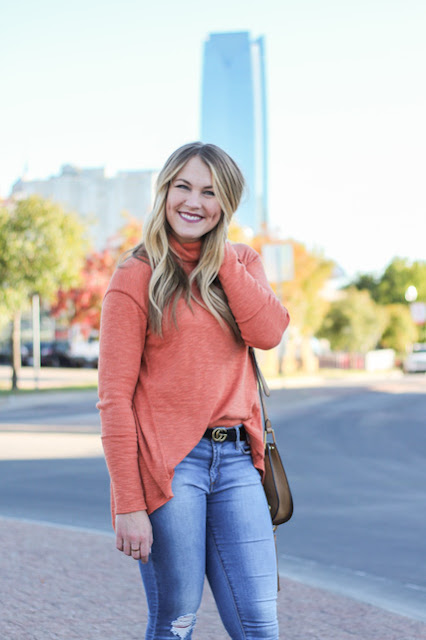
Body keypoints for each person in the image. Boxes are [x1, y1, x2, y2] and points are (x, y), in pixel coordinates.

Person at [97, 142, 290, 640]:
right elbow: (114, 398)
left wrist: (219, 255)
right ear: (164, 191)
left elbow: (268, 332)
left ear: (225, 203)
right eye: (183, 186)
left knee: (260, 625)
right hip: (169, 469)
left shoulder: (241, 262)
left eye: (209, 191)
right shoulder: (136, 275)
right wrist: (128, 504)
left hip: (237, 465)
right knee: (177, 619)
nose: (193, 201)